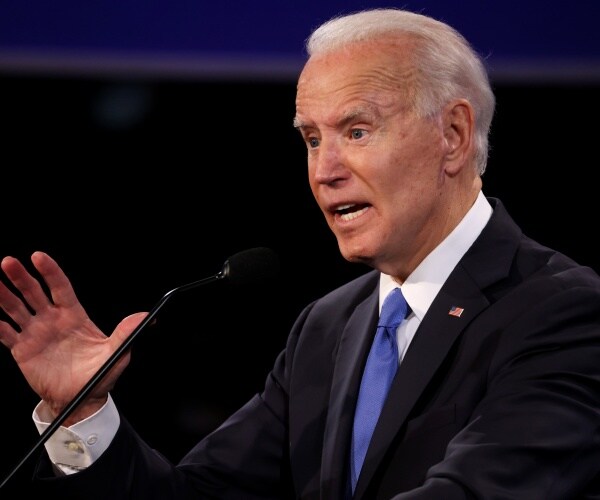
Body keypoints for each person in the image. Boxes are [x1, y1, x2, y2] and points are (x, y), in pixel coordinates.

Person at [1, 7, 599, 499]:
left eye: (356, 131)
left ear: (453, 136)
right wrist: (83, 413)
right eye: (311, 139)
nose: (325, 171)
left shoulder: (563, 311)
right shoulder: (329, 326)